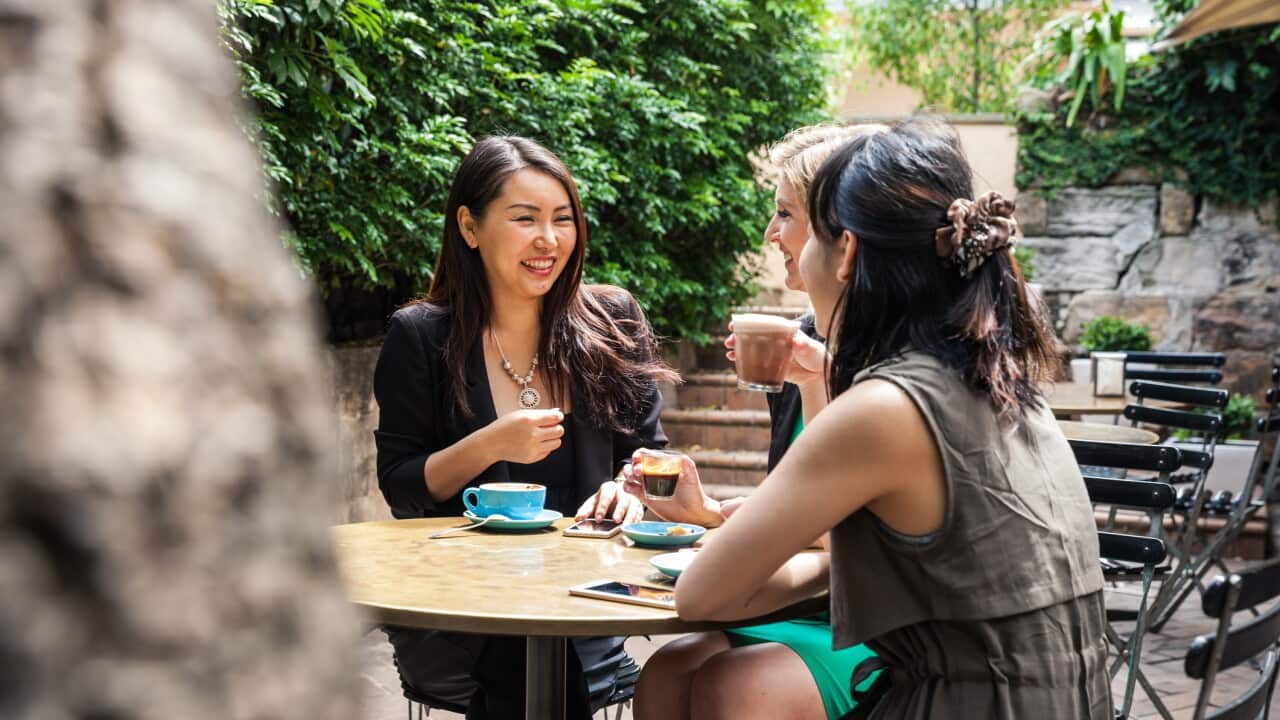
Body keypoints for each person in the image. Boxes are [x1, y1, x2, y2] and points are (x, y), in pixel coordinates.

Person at [642, 118, 1111, 718]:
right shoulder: (993, 378)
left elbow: (701, 591)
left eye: (807, 231)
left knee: (730, 684)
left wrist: (812, 567)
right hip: (1065, 701)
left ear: (848, 253)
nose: (784, 243)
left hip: (970, 704)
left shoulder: (884, 407)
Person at [372, 135, 675, 719]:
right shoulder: (420, 338)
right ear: (469, 227)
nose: (549, 240)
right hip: (462, 612)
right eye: (525, 219)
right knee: (522, 657)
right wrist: (489, 443)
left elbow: (648, 458)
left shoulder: (613, 323)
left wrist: (629, 487)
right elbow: (402, 485)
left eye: (563, 220)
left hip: (587, 601)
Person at [630, 123, 887, 720]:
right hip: (801, 605)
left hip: (877, 621)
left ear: (842, 237)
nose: (771, 234)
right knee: (665, 674)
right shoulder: (806, 347)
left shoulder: (893, 367)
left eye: (784, 214)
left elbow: (848, 530)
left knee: (736, 684)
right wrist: (706, 513)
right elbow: (799, 503)